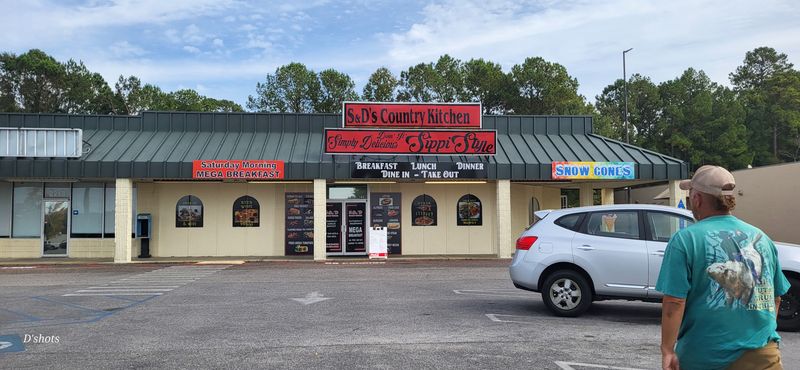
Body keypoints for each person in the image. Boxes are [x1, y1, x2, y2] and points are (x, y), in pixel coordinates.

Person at [657, 165, 791, 370]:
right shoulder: (762, 237)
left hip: (705, 356)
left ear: (697, 199)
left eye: (690, 193)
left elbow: (675, 301)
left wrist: (667, 350)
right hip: (764, 354)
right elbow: (775, 297)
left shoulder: (685, 239)